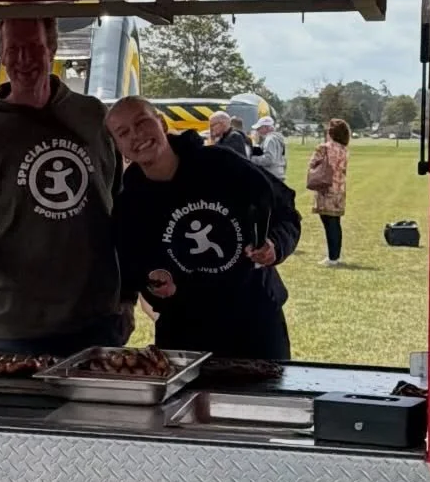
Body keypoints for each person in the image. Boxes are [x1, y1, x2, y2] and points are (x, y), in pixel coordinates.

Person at [0, 17, 124, 356]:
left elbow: (120, 206)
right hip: (15, 324)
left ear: (52, 48)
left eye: (33, 48)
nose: (24, 60)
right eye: (13, 50)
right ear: (1, 56)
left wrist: (128, 296)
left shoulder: (92, 116)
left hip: (95, 317)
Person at [108, 98, 301, 362]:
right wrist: (152, 287)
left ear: (161, 123)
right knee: (187, 405)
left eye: (142, 122)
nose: (137, 135)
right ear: (119, 147)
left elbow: (285, 211)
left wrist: (276, 245)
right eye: (123, 132)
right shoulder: (129, 204)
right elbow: (131, 268)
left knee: (264, 402)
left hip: (254, 323)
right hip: (184, 333)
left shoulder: (223, 165)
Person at [306, 118, 351, 266]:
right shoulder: (344, 150)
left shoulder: (323, 147)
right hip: (339, 189)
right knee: (335, 223)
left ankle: (332, 257)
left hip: (326, 189)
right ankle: (335, 255)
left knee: (328, 223)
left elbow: (312, 163)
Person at [250, 115, 287, 182]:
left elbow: (269, 159)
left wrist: (251, 159)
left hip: (271, 175)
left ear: (266, 128)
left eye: (259, 128)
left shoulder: (270, 139)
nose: (258, 131)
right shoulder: (278, 139)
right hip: (278, 174)